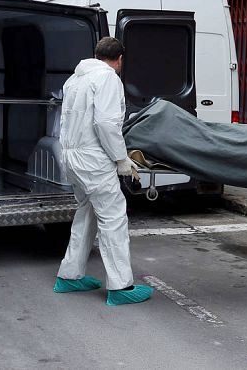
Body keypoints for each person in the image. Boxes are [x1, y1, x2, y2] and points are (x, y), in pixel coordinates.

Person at [54, 37, 153, 306]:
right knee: (113, 217)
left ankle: (70, 276)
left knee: (86, 214)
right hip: (93, 160)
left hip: (71, 156)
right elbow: (106, 123)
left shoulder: (75, 80)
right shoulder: (108, 79)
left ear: (96, 54)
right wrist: (121, 159)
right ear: (119, 59)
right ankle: (121, 287)